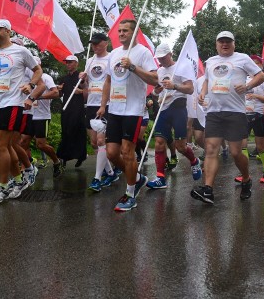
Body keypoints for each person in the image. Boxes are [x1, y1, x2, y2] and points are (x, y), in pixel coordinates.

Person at [190, 30, 264, 204]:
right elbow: (207, 81)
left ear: (234, 44)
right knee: (210, 150)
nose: (224, 44)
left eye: (228, 41)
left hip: (235, 112)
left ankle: (246, 179)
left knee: (235, 152)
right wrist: (202, 93)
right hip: (214, 112)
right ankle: (208, 190)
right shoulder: (211, 62)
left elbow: (260, 76)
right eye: (221, 42)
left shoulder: (242, 58)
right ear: (216, 44)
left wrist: (247, 86)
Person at [0, 20, 45, 203]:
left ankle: (3, 186)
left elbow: (38, 71)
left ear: (8, 30)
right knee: (6, 146)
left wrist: (30, 84)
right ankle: (20, 179)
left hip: (13, 103)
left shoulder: (20, 51)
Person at [98, 19, 158, 212]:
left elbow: (154, 79)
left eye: (125, 31)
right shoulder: (114, 54)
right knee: (112, 153)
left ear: (135, 32)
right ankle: (138, 178)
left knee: (127, 152)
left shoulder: (143, 52)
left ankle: (130, 193)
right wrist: (103, 104)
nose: (121, 33)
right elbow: (108, 80)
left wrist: (133, 67)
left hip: (133, 109)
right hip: (114, 109)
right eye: (120, 31)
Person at [146, 43, 202, 190]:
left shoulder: (182, 67)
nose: (161, 61)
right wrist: (157, 91)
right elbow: (155, 92)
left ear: (170, 54)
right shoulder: (159, 71)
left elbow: (190, 89)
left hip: (178, 107)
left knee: (181, 147)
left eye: (163, 58)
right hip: (163, 108)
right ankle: (160, 178)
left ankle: (194, 161)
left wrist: (175, 86)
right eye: (158, 58)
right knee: (159, 142)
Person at [80, 32, 117, 191]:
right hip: (91, 104)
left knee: (102, 141)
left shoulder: (112, 58)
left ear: (106, 43)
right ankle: (110, 172)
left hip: (107, 104)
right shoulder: (90, 61)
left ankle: (96, 178)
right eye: (92, 44)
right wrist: (83, 80)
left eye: (97, 43)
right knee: (94, 143)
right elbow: (85, 86)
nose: (94, 46)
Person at [19, 56, 62, 181]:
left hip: (42, 116)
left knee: (41, 145)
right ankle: (27, 166)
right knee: (23, 143)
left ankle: (56, 161)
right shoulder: (26, 78)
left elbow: (55, 93)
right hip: (28, 114)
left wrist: (38, 97)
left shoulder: (46, 77)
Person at [240, 54, 264, 183]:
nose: (254, 64)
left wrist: (255, 96)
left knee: (260, 147)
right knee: (242, 146)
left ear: (261, 65)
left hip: (258, 115)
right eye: (252, 62)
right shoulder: (244, 79)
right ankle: (245, 174)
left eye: (257, 63)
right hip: (244, 115)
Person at [57, 55, 87, 169]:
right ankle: (64, 157)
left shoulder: (81, 77)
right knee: (65, 131)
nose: (68, 64)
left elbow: (88, 91)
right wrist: (59, 90)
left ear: (76, 63)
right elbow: (59, 94)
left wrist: (81, 91)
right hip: (66, 108)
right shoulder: (63, 78)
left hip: (78, 109)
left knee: (77, 131)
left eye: (70, 62)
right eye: (67, 62)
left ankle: (81, 155)